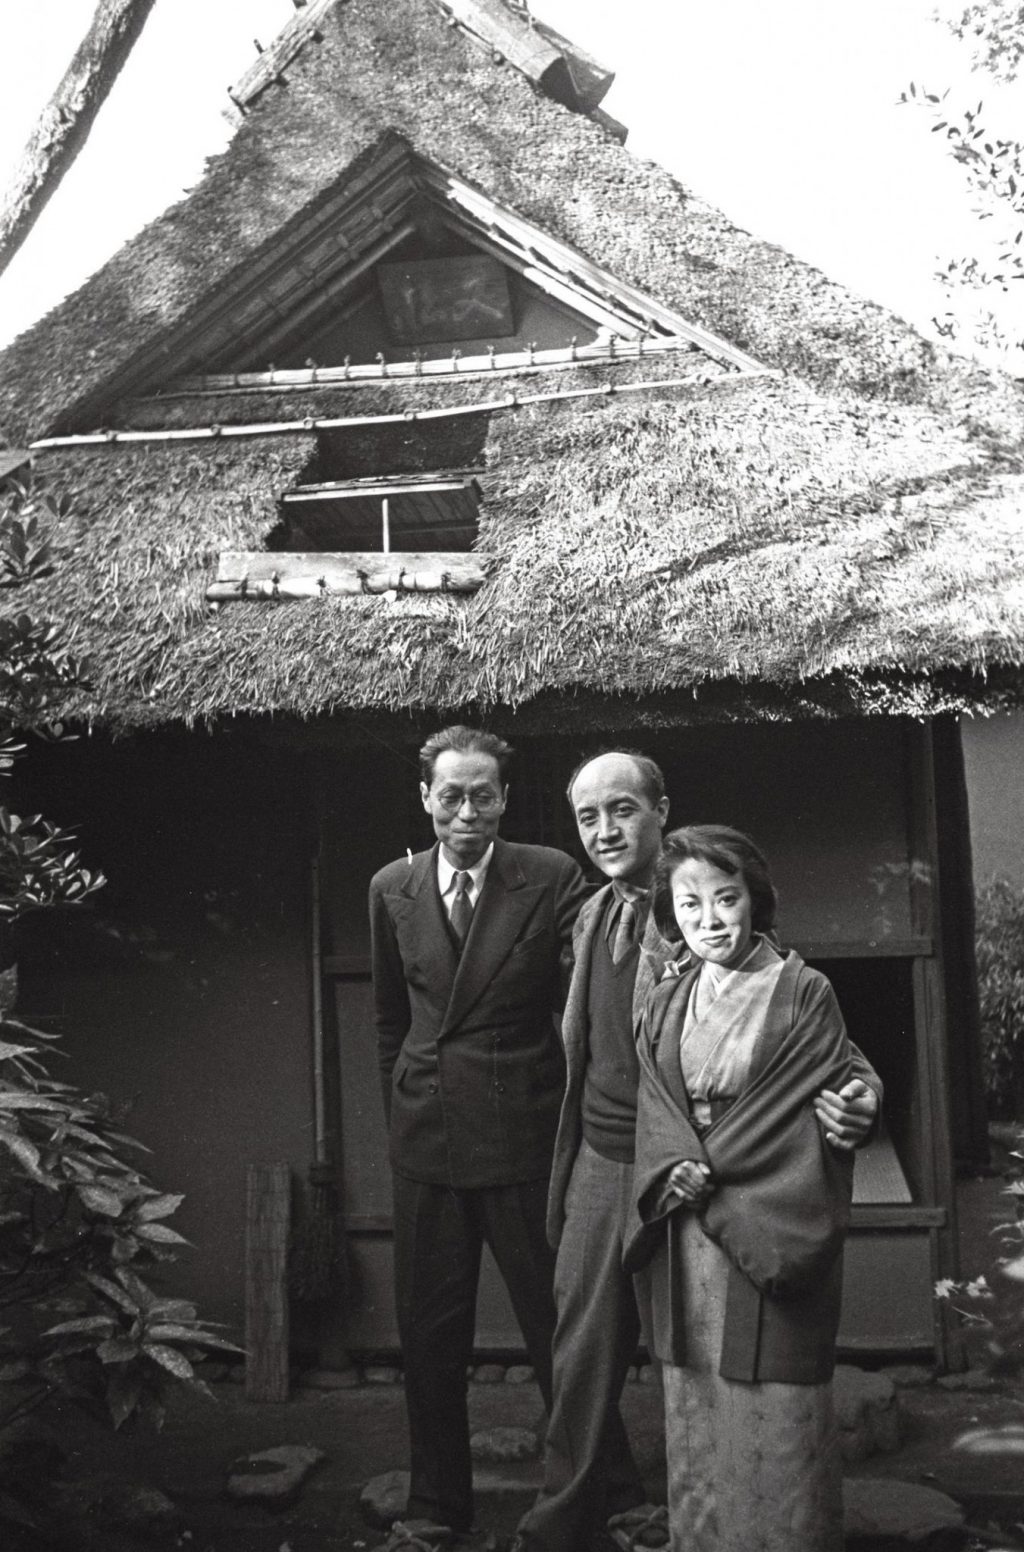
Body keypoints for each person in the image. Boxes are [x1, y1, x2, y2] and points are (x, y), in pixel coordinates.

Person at [515, 753, 880, 1552]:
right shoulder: (591, 916)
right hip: (604, 1159)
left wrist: (862, 1093)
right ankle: (565, 1522)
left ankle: (725, 1523)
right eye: (588, 817)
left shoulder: (704, 902)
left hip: (692, 1167)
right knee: (580, 1347)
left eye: (623, 810)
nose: (606, 830)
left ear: (660, 812)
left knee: (698, 1348)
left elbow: (803, 1024)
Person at [369, 725, 589, 1540]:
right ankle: (434, 1511)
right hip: (427, 1140)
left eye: (484, 795)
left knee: (556, 1328)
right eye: (451, 796)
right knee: (429, 1340)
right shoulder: (391, 886)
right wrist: (404, 1109)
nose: (468, 812)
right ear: (425, 798)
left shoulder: (550, 875)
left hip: (523, 1130)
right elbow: (392, 1020)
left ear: (505, 798)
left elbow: (585, 991)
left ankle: (602, 1493)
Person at [625, 825, 860, 1552]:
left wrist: (860, 1099)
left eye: (725, 900)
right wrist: (670, 1165)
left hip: (765, 1212)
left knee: (777, 1411)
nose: (709, 921)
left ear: (755, 901)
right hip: (687, 1229)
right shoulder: (669, 998)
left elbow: (832, 1075)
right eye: (689, 906)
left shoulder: (802, 991)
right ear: (671, 912)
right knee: (695, 1401)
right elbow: (655, 1106)